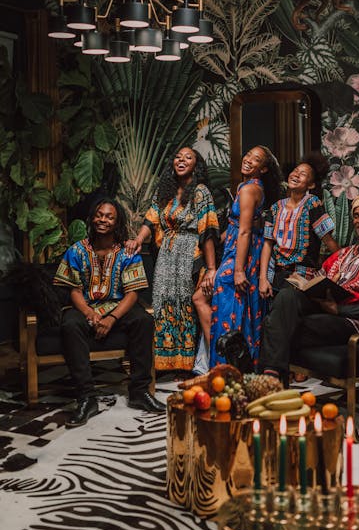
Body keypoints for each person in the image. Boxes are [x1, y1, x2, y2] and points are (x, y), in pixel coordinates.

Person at [258, 194, 359, 381]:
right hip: (323, 311)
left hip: (353, 323)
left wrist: (339, 309)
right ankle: (273, 376)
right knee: (286, 295)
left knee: (278, 325)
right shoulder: (341, 255)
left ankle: (272, 378)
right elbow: (316, 284)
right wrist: (303, 285)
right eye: (356, 216)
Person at [54, 197, 164, 428]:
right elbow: (74, 290)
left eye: (109, 216)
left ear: (117, 222)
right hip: (85, 307)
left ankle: (139, 392)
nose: (103, 219)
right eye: (99, 215)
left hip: (117, 307)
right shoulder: (77, 250)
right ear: (93, 218)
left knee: (143, 320)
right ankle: (86, 398)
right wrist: (89, 314)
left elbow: (133, 293)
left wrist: (112, 318)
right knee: (70, 325)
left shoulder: (127, 252)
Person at [125, 147, 219, 373]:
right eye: (178, 156)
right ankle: (166, 363)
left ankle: (190, 365)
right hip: (166, 257)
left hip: (190, 254)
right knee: (164, 305)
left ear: (196, 165)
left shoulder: (200, 191)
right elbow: (151, 219)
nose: (181, 160)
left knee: (186, 307)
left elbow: (207, 229)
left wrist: (211, 267)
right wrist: (138, 239)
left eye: (188, 157)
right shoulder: (165, 190)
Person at [210, 145, 284, 369]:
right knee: (239, 309)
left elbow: (245, 231)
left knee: (229, 308)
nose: (249, 159)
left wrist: (239, 269)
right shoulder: (248, 186)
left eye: (257, 159)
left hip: (242, 254)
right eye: (249, 154)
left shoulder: (249, 190)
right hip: (239, 249)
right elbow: (237, 226)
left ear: (263, 169)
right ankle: (233, 368)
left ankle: (226, 370)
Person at [259, 151, 338, 299]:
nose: (296, 175)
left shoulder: (312, 203)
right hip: (276, 275)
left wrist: (345, 264)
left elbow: (328, 240)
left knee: (287, 308)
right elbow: (267, 245)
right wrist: (263, 279)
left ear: (311, 184)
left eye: (302, 174)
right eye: (295, 171)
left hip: (302, 277)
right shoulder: (275, 208)